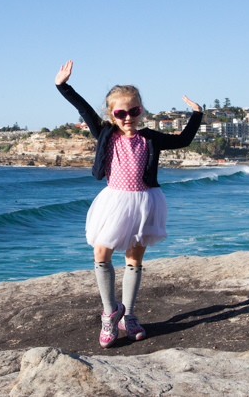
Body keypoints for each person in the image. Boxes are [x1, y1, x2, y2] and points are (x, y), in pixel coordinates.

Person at [54, 60, 203, 348]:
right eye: (120, 113)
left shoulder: (150, 138)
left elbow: (184, 140)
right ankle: (110, 313)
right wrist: (63, 85)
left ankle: (129, 315)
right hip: (114, 200)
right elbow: (83, 108)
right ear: (111, 114)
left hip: (146, 201)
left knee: (134, 259)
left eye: (133, 111)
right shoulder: (106, 134)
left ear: (141, 111)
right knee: (101, 252)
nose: (127, 117)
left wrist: (197, 113)